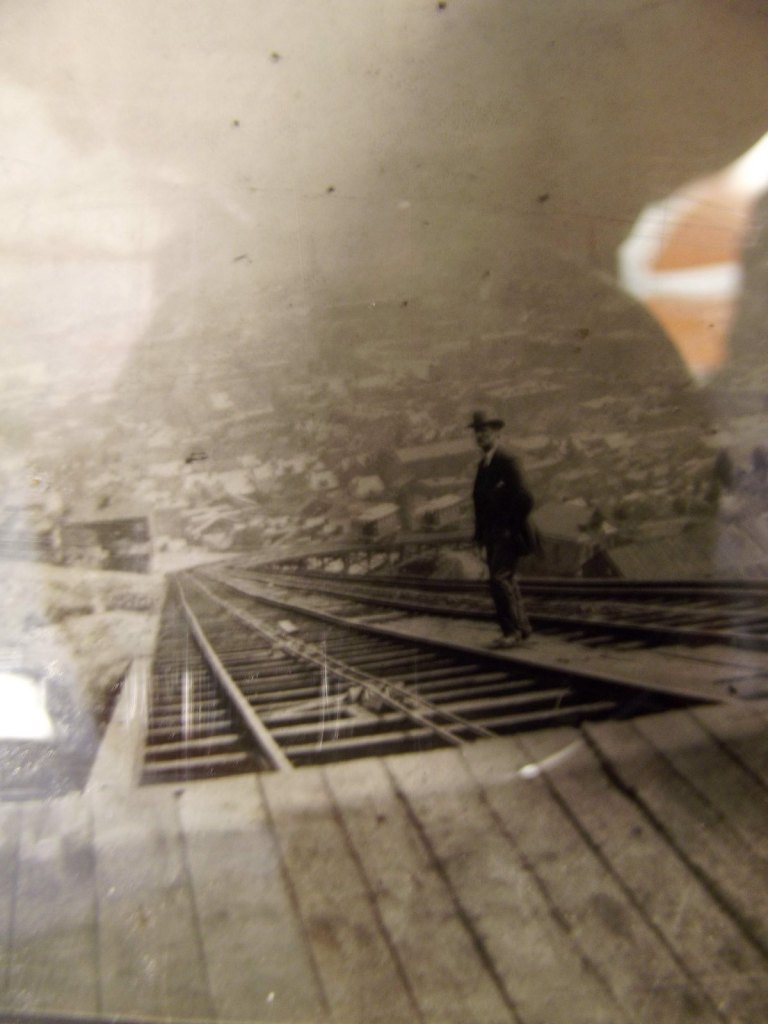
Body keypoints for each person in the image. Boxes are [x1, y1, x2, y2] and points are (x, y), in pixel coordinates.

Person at [469, 409, 534, 648]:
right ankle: (521, 628)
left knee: (499, 579)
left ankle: (512, 632)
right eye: (477, 431)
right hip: (492, 534)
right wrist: (479, 537)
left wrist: (509, 526)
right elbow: (479, 503)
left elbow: (525, 498)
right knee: (506, 579)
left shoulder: (507, 459)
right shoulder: (484, 464)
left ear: (497, 432)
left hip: (508, 532)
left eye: (484, 430)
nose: (480, 436)